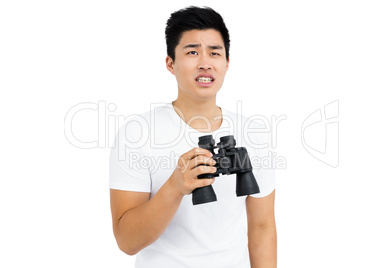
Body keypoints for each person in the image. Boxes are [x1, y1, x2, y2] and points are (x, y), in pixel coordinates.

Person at [109, 6, 276, 268]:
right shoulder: (137, 133)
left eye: (214, 52)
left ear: (227, 63)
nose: (205, 62)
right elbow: (127, 242)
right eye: (192, 52)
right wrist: (175, 187)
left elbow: (263, 227)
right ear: (170, 63)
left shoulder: (254, 133)